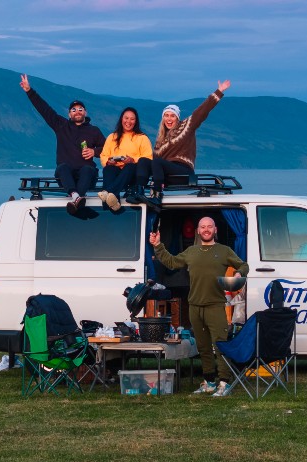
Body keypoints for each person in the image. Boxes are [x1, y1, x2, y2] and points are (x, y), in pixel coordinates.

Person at [149, 216, 248, 397]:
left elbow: (244, 265)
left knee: (220, 345)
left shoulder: (224, 251)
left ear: (215, 229)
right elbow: (171, 262)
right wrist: (158, 245)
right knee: (202, 347)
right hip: (194, 306)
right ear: (198, 230)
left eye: (210, 226)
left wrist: (238, 274)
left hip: (216, 306)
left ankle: (224, 383)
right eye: (203, 227)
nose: (206, 229)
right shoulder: (191, 252)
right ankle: (209, 382)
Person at [129, 80, 231, 209]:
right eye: (166, 115)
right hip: (166, 175)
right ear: (163, 118)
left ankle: (157, 195)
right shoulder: (160, 140)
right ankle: (139, 191)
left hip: (183, 172)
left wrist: (219, 91)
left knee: (157, 162)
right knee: (144, 160)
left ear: (177, 118)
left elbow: (202, 111)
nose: (169, 119)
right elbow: (152, 163)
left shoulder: (186, 126)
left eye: (172, 116)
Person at [20, 74, 106, 214]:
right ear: (69, 114)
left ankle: (75, 198)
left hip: (87, 176)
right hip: (66, 177)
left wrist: (94, 152)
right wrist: (29, 91)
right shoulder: (61, 125)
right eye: (73, 109)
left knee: (88, 169)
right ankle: (77, 197)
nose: (77, 112)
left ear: (85, 112)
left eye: (80, 109)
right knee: (63, 167)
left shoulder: (94, 130)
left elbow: (108, 148)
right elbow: (45, 110)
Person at [98, 107, 153, 211]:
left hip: (133, 173)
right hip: (116, 171)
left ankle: (108, 193)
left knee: (130, 166)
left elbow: (148, 157)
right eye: (126, 118)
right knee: (108, 169)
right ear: (121, 119)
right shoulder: (112, 137)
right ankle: (114, 201)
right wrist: (108, 161)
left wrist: (133, 160)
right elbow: (103, 155)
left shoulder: (142, 138)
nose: (128, 121)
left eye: (132, 119)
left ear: (136, 121)